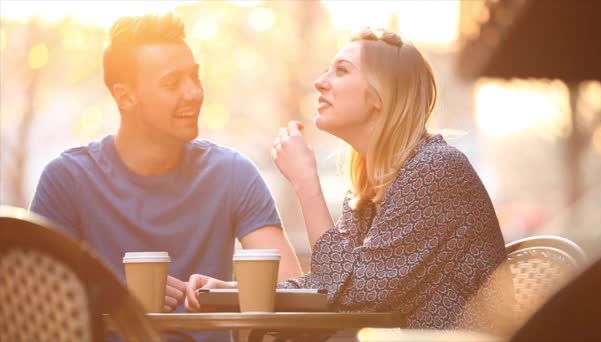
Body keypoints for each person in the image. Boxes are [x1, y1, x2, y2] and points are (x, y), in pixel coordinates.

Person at [185, 28, 512, 333]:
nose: (319, 83)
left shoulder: (435, 169)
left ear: (380, 95)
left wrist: (305, 183)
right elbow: (333, 283)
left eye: (341, 71)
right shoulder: (368, 190)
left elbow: (354, 292)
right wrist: (236, 292)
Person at [29, 12, 302, 320]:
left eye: (195, 77)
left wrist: (228, 294)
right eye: (172, 83)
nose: (194, 93)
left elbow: (292, 286)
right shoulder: (68, 179)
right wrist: (117, 298)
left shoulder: (232, 173)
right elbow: (29, 299)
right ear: (126, 97)